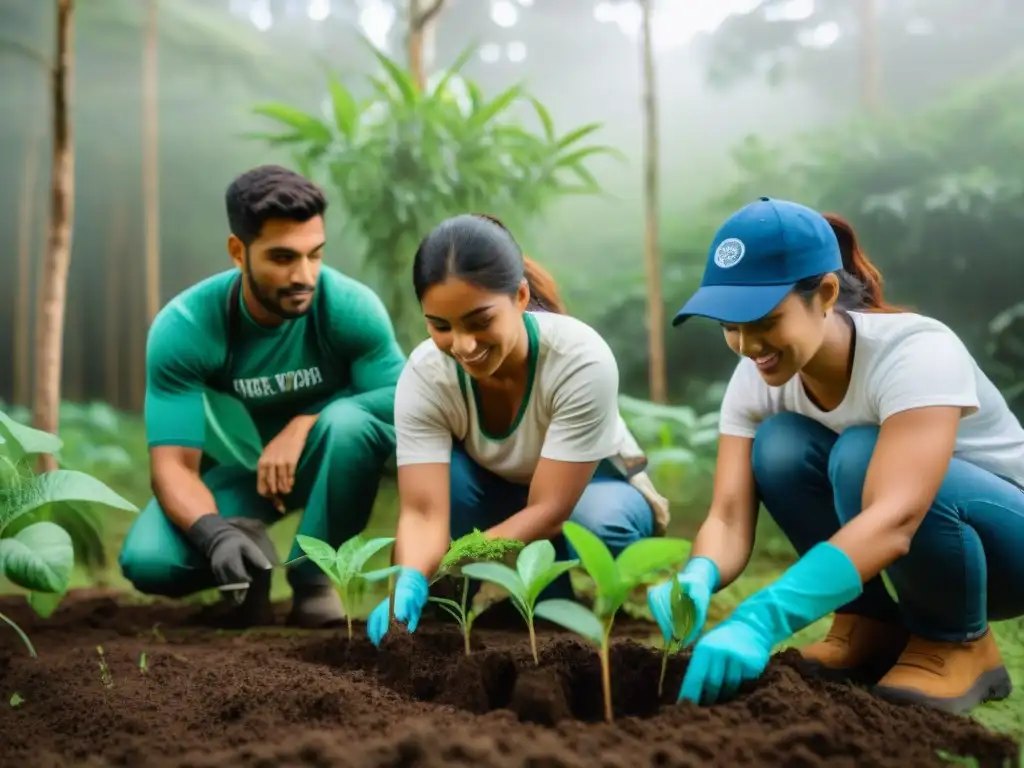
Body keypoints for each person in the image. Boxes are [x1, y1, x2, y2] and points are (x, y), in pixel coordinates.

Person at [648, 196, 1024, 714]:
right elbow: (729, 516)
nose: (746, 344)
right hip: (914, 544)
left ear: (824, 293)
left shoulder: (916, 351)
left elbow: (897, 517)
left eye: (762, 319)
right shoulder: (756, 377)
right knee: (779, 446)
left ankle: (956, 641)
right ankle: (869, 625)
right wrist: (698, 576)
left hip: (1005, 549)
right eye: (728, 325)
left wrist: (763, 617)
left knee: (858, 452)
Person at [118, 164, 406, 628]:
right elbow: (172, 466)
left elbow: (403, 396)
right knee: (150, 561)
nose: (304, 275)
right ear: (238, 251)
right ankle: (247, 557)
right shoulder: (188, 326)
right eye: (282, 258)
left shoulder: (349, 308)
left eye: (315, 255)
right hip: (238, 475)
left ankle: (314, 580)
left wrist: (307, 421)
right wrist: (213, 535)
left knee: (351, 425)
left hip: (327, 458)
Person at [365, 213, 670, 646]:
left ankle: (599, 595)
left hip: (589, 490)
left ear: (521, 296)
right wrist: (412, 577)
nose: (463, 345)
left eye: (479, 321)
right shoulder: (425, 375)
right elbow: (422, 512)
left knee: (599, 525)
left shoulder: (579, 359)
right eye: (440, 326)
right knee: (445, 483)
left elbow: (549, 510)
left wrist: (457, 556)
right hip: (495, 490)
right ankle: (492, 601)